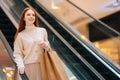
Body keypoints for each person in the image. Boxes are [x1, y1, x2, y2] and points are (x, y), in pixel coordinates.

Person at [13, 7, 50, 80]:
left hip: (42, 65)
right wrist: (20, 65)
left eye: (33, 15)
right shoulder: (20, 35)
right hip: (27, 67)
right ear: (24, 18)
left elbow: (49, 48)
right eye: (28, 14)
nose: (31, 16)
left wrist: (45, 45)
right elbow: (17, 53)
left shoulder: (42, 31)